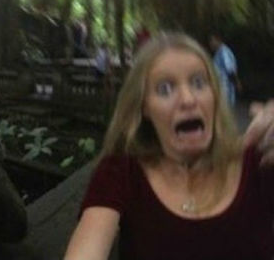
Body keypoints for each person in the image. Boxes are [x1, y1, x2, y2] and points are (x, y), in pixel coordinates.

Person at [64, 32, 274, 260]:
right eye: (165, 89)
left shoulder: (260, 162)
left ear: (214, 95)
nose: (188, 99)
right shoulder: (121, 172)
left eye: (199, 83)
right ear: (144, 107)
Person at [208, 33, 241, 107]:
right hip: (220, 86)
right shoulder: (218, 52)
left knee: (225, 107)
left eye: (212, 40)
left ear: (218, 40)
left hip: (225, 87)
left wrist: (236, 83)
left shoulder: (224, 52)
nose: (211, 43)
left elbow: (230, 69)